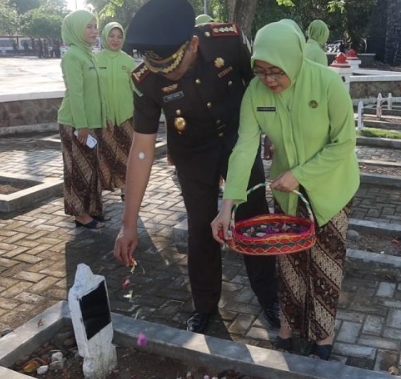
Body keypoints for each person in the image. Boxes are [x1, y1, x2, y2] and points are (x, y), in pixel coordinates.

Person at [113, 0, 279, 334]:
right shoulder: (146, 79)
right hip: (192, 153)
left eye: (174, 69)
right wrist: (128, 223)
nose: (169, 76)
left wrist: (272, 133)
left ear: (192, 44)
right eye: (161, 72)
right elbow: (142, 149)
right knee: (201, 228)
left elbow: (261, 86)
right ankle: (204, 305)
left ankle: (270, 297)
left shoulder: (227, 40)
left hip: (238, 141)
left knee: (254, 219)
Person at [210, 20, 360, 360]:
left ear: (293, 59)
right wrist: (227, 206)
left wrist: (301, 174)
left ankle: (323, 332)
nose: (269, 80)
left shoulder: (326, 84)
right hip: (287, 193)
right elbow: (244, 148)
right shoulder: (256, 94)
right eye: (261, 71)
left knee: (325, 262)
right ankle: (289, 325)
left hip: (332, 187)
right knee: (289, 259)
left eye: (276, 71)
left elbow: (344, 143)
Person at [56, 9, 107, 229]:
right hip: (76, 123)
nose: (94, 31)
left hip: (92, 122)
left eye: (95, 26)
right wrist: (82, 125)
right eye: (89, 26)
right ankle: (79, 213)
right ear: (76, 29)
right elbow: (75, 94)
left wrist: (103, 120)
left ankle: (92, 209)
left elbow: (97, 92)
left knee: (93, 168)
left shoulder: (89, 54)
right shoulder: (72, 56)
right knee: (78, 169)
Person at [96, 22, 136, 201]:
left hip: (126, 117)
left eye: (119, 36)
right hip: (102, 118)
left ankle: (126, 191)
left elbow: (137, 89)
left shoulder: (128, 60)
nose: (115, 40)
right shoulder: (95, 60)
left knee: (127, 155)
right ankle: (102, 192)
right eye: (112, 36)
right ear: (105, 36)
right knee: (103, 155)